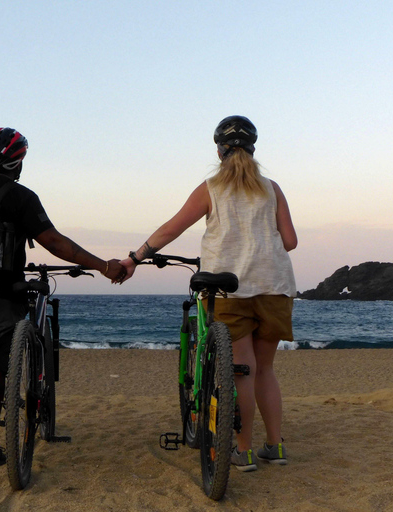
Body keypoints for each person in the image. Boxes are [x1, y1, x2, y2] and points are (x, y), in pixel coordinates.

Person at [0, 127, 126, 469]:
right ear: (19, 161)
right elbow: (56, 243)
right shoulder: (21, 197)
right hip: (4, 292)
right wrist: (104, 266)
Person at [119, 116, 297, 472]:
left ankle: (243, 451)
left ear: (219, 151)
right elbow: (290, 241)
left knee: (241, 373)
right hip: (275, 288)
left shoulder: (212, 188)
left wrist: (136, 257)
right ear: (254, 149)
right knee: (265, 371)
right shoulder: (272, 188)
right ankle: (274, 446)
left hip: (230, 290)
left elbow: (172, 228)